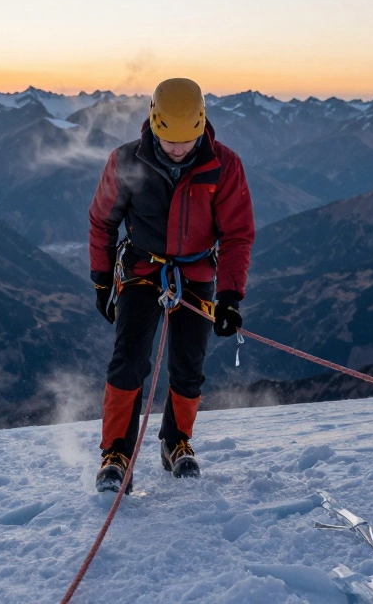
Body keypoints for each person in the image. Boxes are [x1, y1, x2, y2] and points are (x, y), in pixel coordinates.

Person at [87, 77, 254, 493]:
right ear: (153, 123)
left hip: (196, 275)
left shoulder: (224, 165)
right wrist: (102, 280)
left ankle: (175, 442)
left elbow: (237, 234)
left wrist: (230, 297)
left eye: (186, 140)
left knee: (188, 366)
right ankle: (116, 454)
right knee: (128, 361)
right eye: (169, 139)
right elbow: (102, 222)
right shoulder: (126, 161)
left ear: (202, 124)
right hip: (143, 271)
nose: (178, 148)